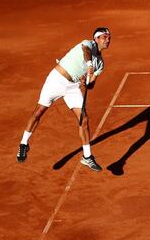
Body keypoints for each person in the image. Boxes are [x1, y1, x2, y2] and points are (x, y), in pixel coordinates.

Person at [17, 27, 112, 171]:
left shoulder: (101, 64)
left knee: (84, 119)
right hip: (57, 79)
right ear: (96, 38)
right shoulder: (88, 44)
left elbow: (91, 84)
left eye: (109, 37)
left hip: (73, 87)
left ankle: (87, 157)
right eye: (104, 37)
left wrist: (86, 83)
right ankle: (24, 144)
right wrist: (89, 65)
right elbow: (86, 52)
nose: (108, 39)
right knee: (39, 112)